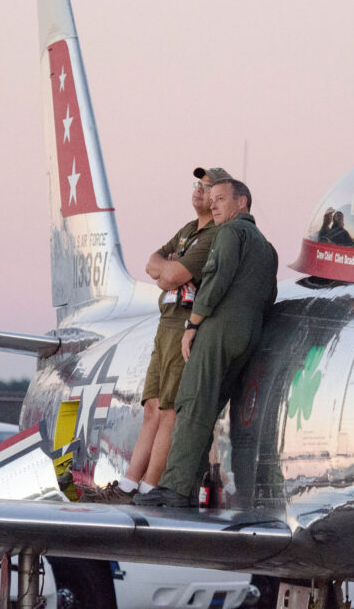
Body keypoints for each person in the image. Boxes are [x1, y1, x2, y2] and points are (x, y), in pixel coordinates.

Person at [81, 166, 231, 504]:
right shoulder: (189, 230)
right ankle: (129, 484)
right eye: (196, 185)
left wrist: (170, 271)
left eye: (207, 188)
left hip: (183, 325)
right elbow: (152, 263)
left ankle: (149, 488)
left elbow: (172, 272)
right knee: (151, 405)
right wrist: (169, 273)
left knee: (168, 410)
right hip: (165, 323)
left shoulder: (214, 236)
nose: (198, 192)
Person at [135, 178, 278, 507]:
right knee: (212, 407)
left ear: (242, 203)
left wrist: (193, 323)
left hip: (219, 329)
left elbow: (216, 279)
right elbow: (269, 294)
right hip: (250, 331)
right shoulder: (267, 247)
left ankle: (175, 489)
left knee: (193, 403)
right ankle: (196, 480)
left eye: (221, 199)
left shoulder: (230, 233)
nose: (213, 205)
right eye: (211, 199)